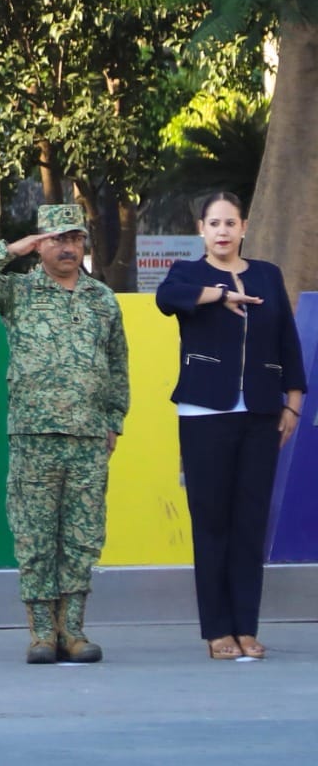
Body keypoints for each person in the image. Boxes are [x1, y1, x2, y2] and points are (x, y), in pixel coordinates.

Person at [0, 204, 129, 664]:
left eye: (74, 238)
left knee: (82, 536)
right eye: (56, 239)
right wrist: (11, 250)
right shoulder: (19, 291)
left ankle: (72, 631)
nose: (67, 247)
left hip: (88, 437)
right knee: (34, 536)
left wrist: (114, 420)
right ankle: (40, 635)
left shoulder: (101, 299)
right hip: (34, 434)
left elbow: (117, 365)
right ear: (39, 244)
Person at [156, 192, 306, 660]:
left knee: (249, 523)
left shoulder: (267, 274)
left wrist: (294, 402)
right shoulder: (187, 274)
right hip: (205, 412)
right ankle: (217, 630)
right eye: (214, 223)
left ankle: (246, 627)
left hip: (262, 411)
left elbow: (287, 339)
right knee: (212, 522)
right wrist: (219, 295)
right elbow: (166, 300)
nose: (222, 231)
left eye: (231, 223)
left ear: (244, 228)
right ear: (201, 230)